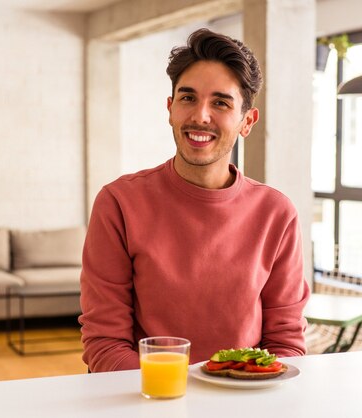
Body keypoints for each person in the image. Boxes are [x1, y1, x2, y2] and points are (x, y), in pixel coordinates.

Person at [79, 28, 310, 372]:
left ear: (247, 121)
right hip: (149, 399)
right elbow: (106, 344)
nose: (200, 115)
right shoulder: (118, 203)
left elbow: (285, 345)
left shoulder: (276, 213)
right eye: (188, 98)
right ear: (170, 108)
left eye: (220, 102)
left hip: (244, 400)